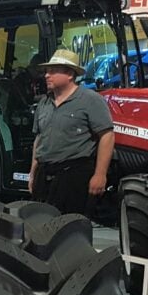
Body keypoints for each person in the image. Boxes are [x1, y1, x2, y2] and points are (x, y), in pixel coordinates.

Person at [28, 48, 114, 216]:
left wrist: (100, 174)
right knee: (41, 221)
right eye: (46, 71)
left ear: (69, 74)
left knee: (70, 224)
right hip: (44, 175)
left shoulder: (90, 100)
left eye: (53, 71)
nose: (47, 75)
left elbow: (107, 136)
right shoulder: (44, 103)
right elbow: (39, 138)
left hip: (74, 176)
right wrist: (33, 173)